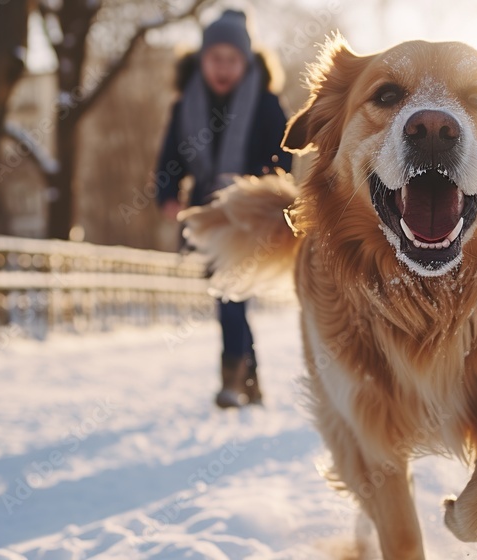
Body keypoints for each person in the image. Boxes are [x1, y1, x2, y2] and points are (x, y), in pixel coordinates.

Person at [155, 9, 292, 408]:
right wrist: (166, 194)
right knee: (230, 295)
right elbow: (168, 159)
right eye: (216, 58)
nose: (223, 67)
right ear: (202, 59)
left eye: (232, 59)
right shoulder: (186, 105)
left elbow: (283, 158)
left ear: (246, 61)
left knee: (230, 296)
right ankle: (248, 377)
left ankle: (232, 379)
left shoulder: (266, 103)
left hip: (250, 215)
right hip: (208, 216)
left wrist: (256, 191)